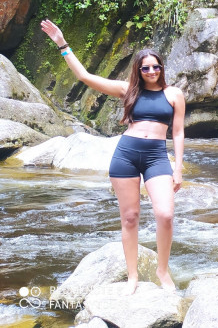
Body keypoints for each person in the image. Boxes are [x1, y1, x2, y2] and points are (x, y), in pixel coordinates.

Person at [41, 19, 185, 293]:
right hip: (126, 155)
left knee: (165, 214)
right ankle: (132, 276)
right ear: (138, 70)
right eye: (146, 67)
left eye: (156, 66)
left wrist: (178, 168)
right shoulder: (127, 90)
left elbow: (177, 133)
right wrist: (62, 43)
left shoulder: (174, 94)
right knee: (130, 217)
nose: (151, 71)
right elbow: (85, 77)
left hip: (156, 156)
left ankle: (162, 271)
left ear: (162, 68)